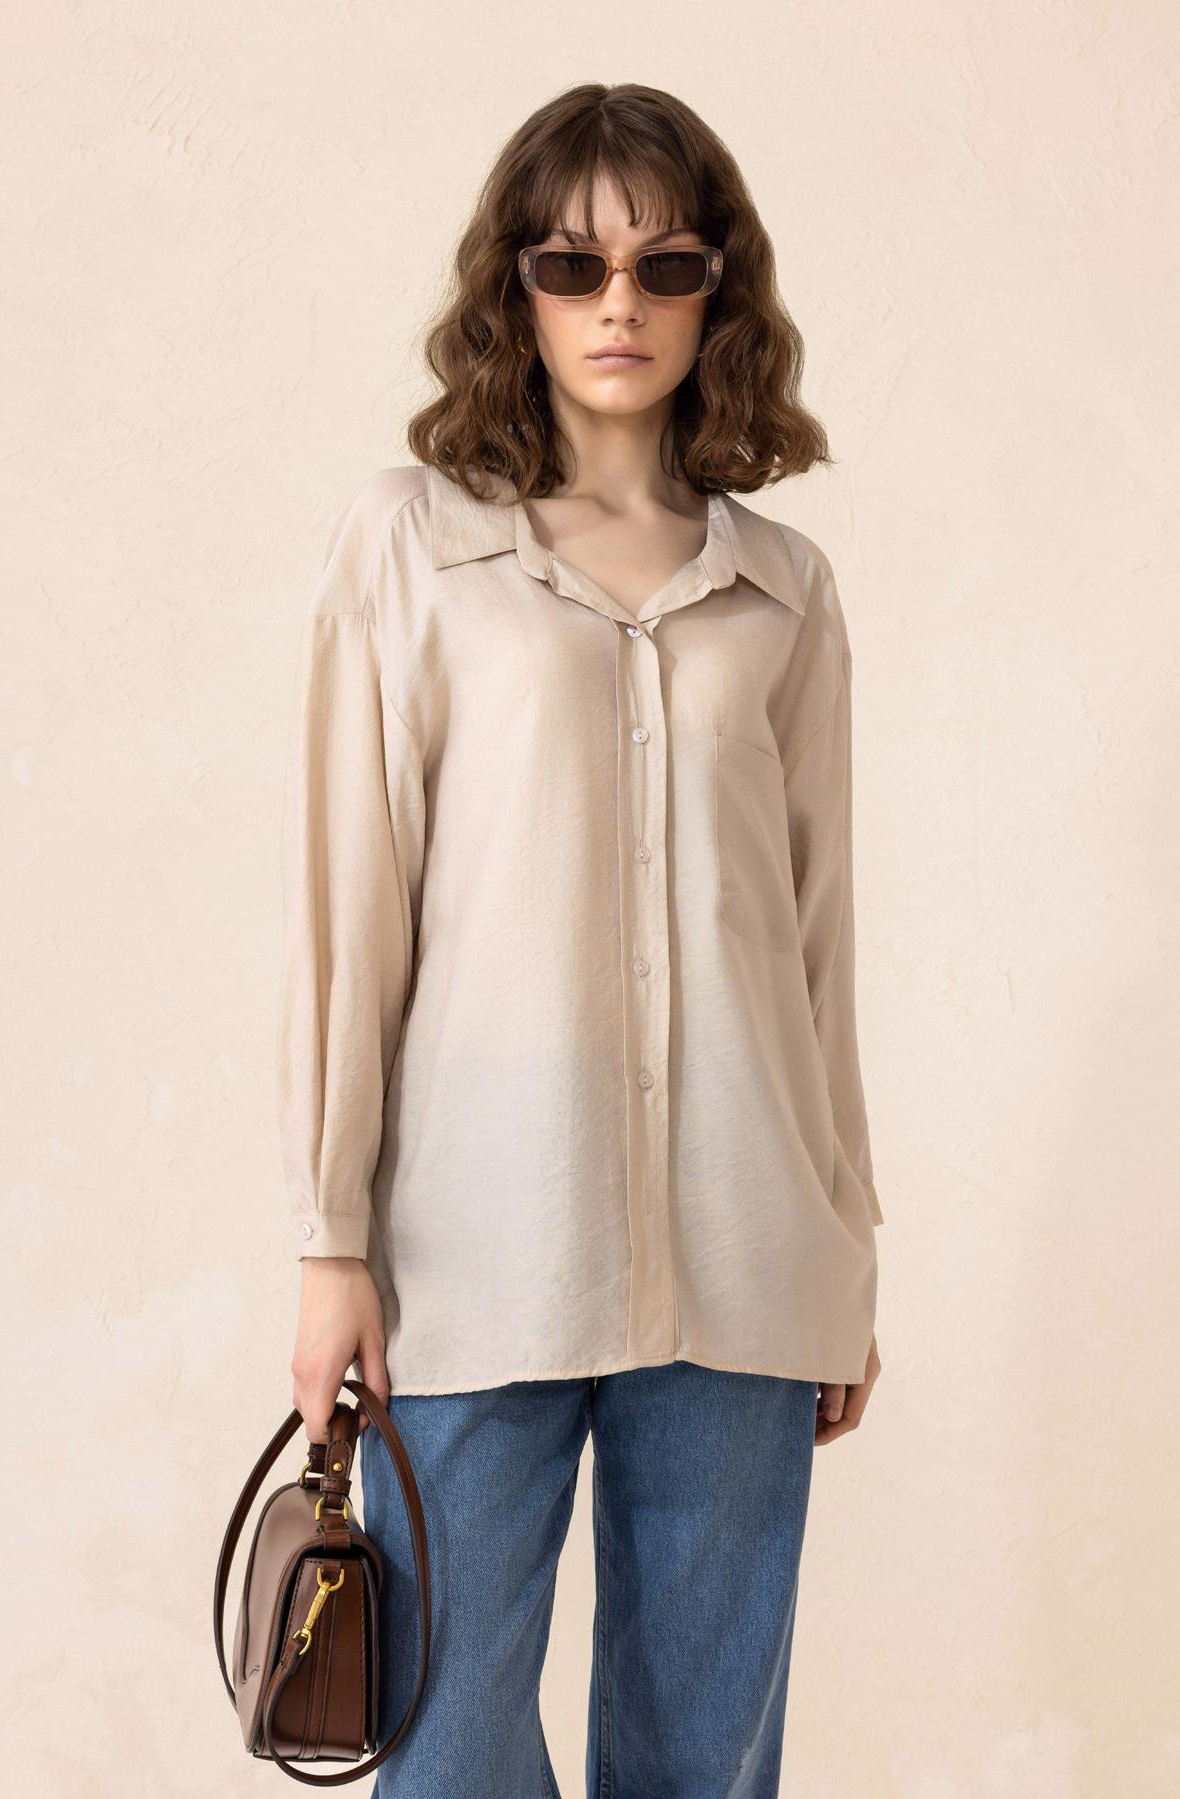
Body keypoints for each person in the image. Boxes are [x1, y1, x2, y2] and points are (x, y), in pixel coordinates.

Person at [277, 80, 883, 1798]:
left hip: (750, 1252)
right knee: (446, 1746)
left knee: (707, 1762)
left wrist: (847, 1239)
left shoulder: (784, 589)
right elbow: (350, 913)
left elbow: (819, 938)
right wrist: (331, 1239)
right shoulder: (412, 545)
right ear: (516, 291)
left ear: (718, 290)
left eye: (665, 264)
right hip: (472, 1249)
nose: (620, 304)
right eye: (572, 264)